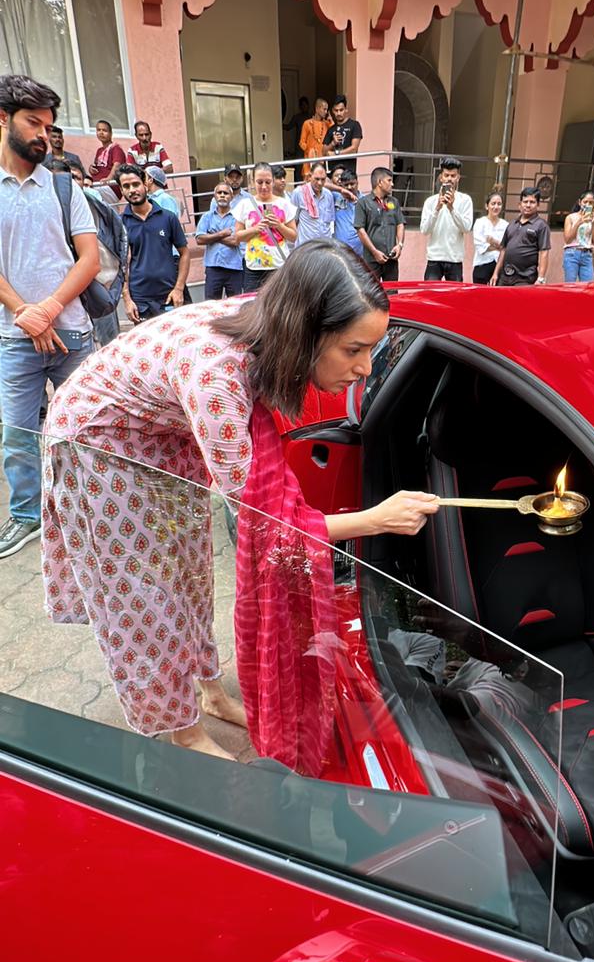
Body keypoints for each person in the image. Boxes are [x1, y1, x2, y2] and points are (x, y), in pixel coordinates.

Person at [41, 242, 440, 768]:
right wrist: (376, 519)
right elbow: (268, 522)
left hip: (161, 435)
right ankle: (179, 731)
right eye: (353, 350)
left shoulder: (262, 330)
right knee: (143, 596)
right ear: (305, 333)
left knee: (187, 574)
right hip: (100, 446)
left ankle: (209, 693)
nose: (365, 368)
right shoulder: (217, 380)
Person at [0, 73, 99, 559]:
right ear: (3, 120)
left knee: (89, 427)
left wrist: (50, 310)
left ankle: (95, 508)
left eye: (48, 126)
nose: (44, 134)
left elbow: (89, 259)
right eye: (33, 123)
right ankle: (26, 516)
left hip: (74, 334)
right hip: (14, 338)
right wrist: (25, 314)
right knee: (17, 434)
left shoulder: (63, 187)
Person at [59, 161, 127, 347]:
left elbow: (115, 251)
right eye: (67, 178)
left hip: (97, 289)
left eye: (76, 178)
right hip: (62, 299)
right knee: (72, 354)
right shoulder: (45, 211)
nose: (71, 183)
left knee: (109, 348)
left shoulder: (98, 210)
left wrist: (112, 290)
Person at [118, 164, 190, 322]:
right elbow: (121, 265)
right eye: (126, 186)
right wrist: (127, 300)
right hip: (140, 300)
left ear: (145, 184)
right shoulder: (120, 224)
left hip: (169, 295)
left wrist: (179, 289)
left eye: (136, 184)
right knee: (146, 346)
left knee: (175, 343)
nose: (132, 190)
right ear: (122, 190)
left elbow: (184, 253)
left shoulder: (168, 217)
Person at [232, 160, 297, 292]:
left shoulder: (284, 204)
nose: (264, 186)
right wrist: (255, 229)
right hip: (253, 267)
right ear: (252, 181)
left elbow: (293, 236)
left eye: (268, 182)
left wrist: (278, 225)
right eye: (259, 182)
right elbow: (237, 237)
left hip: (278, 266)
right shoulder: (245, 204)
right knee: (252, 305)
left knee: (278, 306)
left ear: (273, 181)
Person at [420, 157, 473, 282]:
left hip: (455, 259)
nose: (449, 178)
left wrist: (451, 208)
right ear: (441, 177)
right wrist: (437, 208)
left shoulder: (465, 200)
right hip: (434, 258)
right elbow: (424, 230)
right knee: (429, 296)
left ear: (458, 178)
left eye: (453, 175)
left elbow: (466, 228)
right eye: (447, 175)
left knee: (454, 299)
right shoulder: (430, 201)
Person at [490, 187, 551, 287]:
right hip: (505, 277)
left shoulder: (541, 225)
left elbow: (544, 253)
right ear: (520, 204)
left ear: (538, 205)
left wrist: (541, 278)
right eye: (525, 201)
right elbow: (503, 250)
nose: (528, 205)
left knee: (521, 303)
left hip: (525, 279)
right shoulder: (512, 224)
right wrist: (495, 273)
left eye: (532, 202)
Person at [354, 167, 405, 281]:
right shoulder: (363, 203)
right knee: (371, 294)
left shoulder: (394, 202)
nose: (392, 184)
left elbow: (400, 224)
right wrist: (374, 252)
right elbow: (360, 230)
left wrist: (400, 245)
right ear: (380, 182)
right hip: (372, 260)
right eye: (389, 180)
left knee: (392, 294)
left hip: (391, 259)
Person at [197, 180, 245, 299]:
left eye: (226, 193)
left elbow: (235, 241)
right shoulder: (207, 217)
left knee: (235, 307)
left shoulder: (238, 217)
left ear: (232, 197)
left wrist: (212, 236)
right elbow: (199, 239)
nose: (222, 195)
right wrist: (222, 234)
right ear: (215, 196)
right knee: (210, 306)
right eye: (219, 193)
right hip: (213, 268)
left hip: (234, 268)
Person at [290, 161, 335, 244]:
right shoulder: (299, 193)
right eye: (317, 179)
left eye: (323, 179)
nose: (320, 183)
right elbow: (293, 221)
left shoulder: (328, 195)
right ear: (310, 176)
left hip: (325, 245)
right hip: (306, 246)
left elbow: (330, 223)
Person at [472, 192, 508, 284]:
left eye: (499, 204)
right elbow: (480, 246)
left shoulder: (505, 225)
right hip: (482, 264)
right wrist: (500, 246)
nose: (496, 207)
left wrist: (493, 242)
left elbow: (507, 248)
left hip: (499, 266)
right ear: (487, 206)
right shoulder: (480, 222)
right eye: (493, 203)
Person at [323, 95, 363, 175]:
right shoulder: (331, 129)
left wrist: (336, 154)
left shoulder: (355, 125)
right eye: (336, 110)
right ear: (332, 111)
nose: (338, 113)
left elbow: (354, 149)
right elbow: (324, 152)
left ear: (346, 109)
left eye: (341, 110)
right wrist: (333, 143)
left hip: (348, 173)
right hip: (332, 173)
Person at [562, 191, 594, 283]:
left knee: (588, 286)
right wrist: (579, 222)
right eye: (585, 202)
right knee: (570, 285)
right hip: (572, 253)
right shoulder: (570, 217)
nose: (587, 205)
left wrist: (593, 223)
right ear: (580, 202)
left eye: (591, 202)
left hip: (587, 254)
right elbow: (567, 239)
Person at [88, 120, 125, 196]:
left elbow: (117, 165)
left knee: (86, 193)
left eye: (104, 130)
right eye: (98, 130)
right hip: (98, 185)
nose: (101, 133)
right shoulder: (99, 151)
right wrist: (91, 169)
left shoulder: (116, 148)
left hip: (110, 186)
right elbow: (98, 166)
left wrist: (109, 178)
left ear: (111, 133)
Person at [332, 170, 363, 256]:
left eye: (352, 184)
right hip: (340, 253)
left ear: (357, 182)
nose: (349, 187)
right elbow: (322, 185)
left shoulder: (364, 201)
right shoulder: (336, 197)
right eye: (346, 185)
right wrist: (340, 190)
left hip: (360, 254)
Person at [299, 98, 329, 179]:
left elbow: (333, 135)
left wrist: (331, 121)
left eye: (327, 110)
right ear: (317, 109)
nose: (326, 112)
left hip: (322, 161)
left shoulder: (327, 124)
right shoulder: (307, 123)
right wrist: (310, 151)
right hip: (309, 162)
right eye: (324, 109)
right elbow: (302, 143)